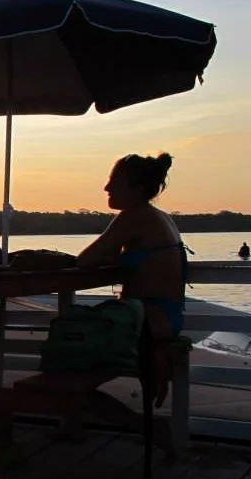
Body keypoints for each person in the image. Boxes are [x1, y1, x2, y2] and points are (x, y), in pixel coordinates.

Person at [77, 152, 187, 454]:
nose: (106, 188)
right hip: (166, 317)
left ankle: (147, 428)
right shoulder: (159, 217)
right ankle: (71, 425)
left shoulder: (132, 218)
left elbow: (86, 260)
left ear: (137, 190)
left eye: (115, 182)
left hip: (146, 324)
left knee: (68, 373)